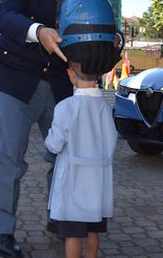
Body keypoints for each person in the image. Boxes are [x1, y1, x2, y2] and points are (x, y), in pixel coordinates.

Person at [0, 0, 100, 257]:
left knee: (65, 158)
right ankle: (2, 233)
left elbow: (101, 23)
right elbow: (6, 18)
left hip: (63, 85)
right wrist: (38, 31)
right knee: (10, 158)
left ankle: (61, 221)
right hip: (18, 79)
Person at [44, 60, 118, 258]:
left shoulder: (65, 107)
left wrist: (49, 139)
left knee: (72, 233)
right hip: (97, 180)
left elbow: (55, 144)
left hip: (73, 181)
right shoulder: (105, 106)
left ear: (70, 74)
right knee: (93, 229)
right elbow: (111, 142)